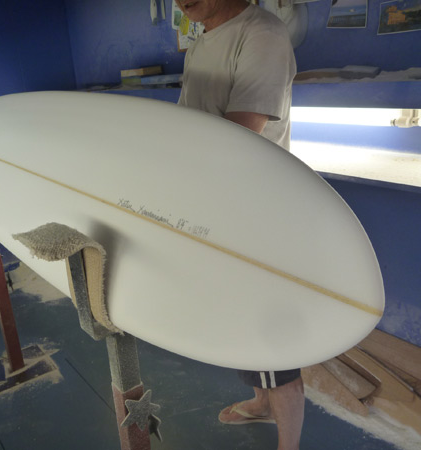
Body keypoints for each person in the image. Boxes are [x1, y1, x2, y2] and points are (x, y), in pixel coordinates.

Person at [175, 1, 304, 449]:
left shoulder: (262, 34)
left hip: (255, 210)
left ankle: (289, 442)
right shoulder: (200, 41)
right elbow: (185, 121)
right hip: (216, 205)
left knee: (270, 333)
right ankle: (262, 403)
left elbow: (240, 137)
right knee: (237, 317)